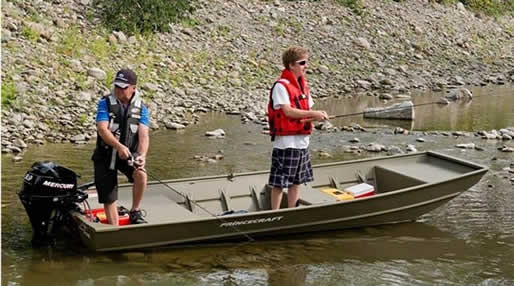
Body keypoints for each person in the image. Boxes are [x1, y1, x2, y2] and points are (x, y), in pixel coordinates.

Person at [267, 46, 329, 210]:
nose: (305, 66)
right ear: (291, 65)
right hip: (286, 143)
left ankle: (292, 211)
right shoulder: (281, 86)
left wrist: (317, 115)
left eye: (306, 62)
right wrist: (313, 113)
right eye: (302, 63)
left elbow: (305, 113)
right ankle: (275, 214)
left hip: (302, 142)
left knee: (296, 181)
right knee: (279, 183)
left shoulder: (303, 86)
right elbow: (287, 111)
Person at [92, 68, 150, 225]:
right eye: (116, 86)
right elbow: (102, 129)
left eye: (123, 87)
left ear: (133, 88)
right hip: (105, 156)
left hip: (128, 155)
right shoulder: (105, 103)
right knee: (109, 195)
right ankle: (114, 228)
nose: (118, 89)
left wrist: (141, 156)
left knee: (141, 174)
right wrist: (118, 146)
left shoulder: (141, 108)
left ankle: (135, 211)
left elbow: (143, 135)